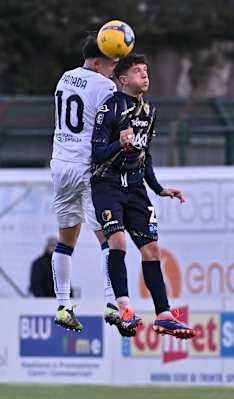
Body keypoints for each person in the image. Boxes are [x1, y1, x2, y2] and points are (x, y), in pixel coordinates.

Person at [90, 53, 195, 339]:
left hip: (136, 188)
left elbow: (145, 156)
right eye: (138, 71)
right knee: (118, 241)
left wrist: (159, 188)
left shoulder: (149, 111)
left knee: (152, 251)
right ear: (123, 79)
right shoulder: (109, 109)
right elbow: (96, 154)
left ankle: (164, 315)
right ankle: (123, 308)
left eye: (146, 71)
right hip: (107, 185)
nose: (145, 75)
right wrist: (117, 145)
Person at [50, 35, 135, 336]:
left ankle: (63, 306)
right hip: (87, 168)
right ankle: (113, 303)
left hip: (61, 165)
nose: (115, 65)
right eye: (112, 59)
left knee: (65, 242)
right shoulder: (106, 87)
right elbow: (111, 128)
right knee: (109, 239)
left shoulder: (65, 77)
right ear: (98, 60)